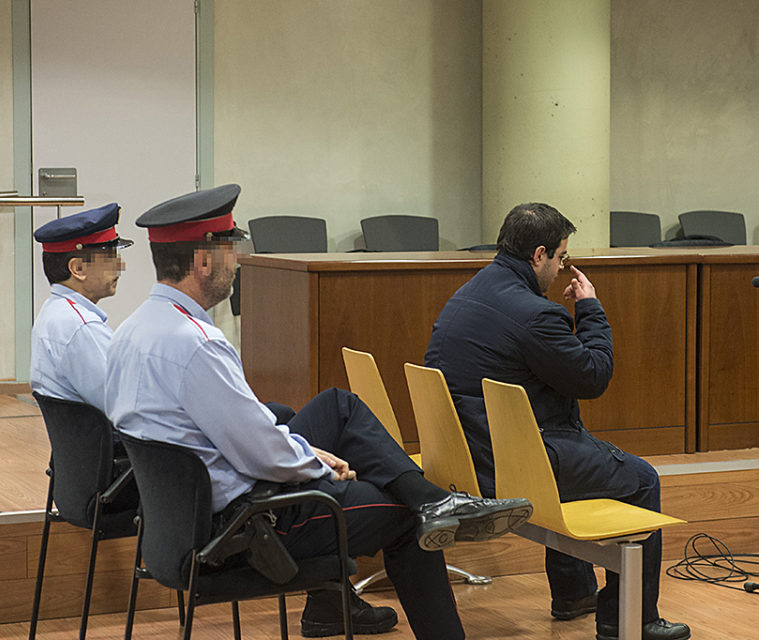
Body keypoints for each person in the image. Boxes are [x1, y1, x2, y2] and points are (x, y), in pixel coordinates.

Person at [104, 184, 533, 639]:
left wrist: (305, 451)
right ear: (204, 262)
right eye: (231, 249)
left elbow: (233, 433)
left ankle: (425, 507)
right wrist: (318, 466)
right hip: (247, 526)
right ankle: (429, 512)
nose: (237, 262)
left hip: (180, 521)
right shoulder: (197, 345)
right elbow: (261, 456)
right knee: (406, 516)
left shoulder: (131, 330)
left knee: (336, 406)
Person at [425, 203, 691, 640]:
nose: (562, 268)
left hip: (463, 454)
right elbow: (592, 377)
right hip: (507, 465)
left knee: (573, 445)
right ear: (539, 255)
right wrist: (590, 310)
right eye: (561, 258)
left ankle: (575, 592)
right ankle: (629, 619)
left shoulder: (468, 293)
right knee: (641, 479)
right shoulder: (535, 313)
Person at [30, 203, 130, 413]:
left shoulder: (53, 311)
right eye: (111, 258)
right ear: (78, 268)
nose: (121, 267)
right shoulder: (81, 327)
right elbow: (127, 403)